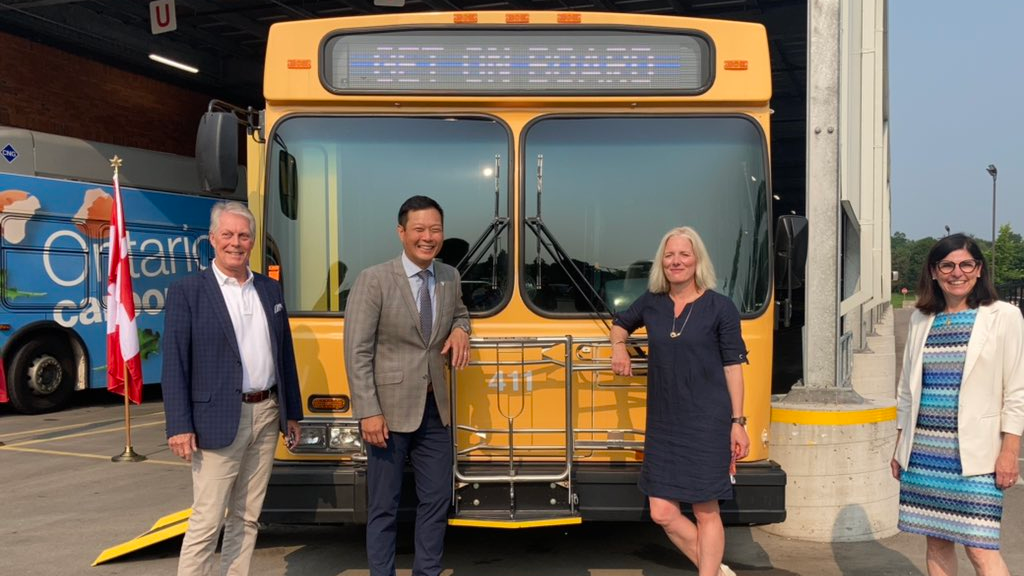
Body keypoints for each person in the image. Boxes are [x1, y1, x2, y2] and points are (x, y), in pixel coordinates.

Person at [162, 200, 302, 576]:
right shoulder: (187, 292)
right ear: (212, 239)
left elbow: (284, 355)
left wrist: (293, 413)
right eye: (227, 234)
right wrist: (178, 424)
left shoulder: (271, 291)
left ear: (253, 242)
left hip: (267, 412)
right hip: (216, 420)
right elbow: (174, 364)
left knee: (247, 516)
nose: (235, 243)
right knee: (207, 521)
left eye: (243, 235)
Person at [609, 226, 749, 576]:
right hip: (664, 424)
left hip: (707, 422)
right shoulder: (652, 302)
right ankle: (714, 570)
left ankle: (708, 573)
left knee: (706, 510)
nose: (676, 261)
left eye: (684, 254)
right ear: (662, 262)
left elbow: (733, 368)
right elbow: (619, 324)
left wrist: (738, 423)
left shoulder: (721, 307)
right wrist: (618, 348)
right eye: (669, 255)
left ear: (697, 260)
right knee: (662, 512)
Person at [344, 195, 471, 576]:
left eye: (435, 229)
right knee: (384, 505)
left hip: (436, 410)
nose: (427, 237)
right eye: (419, 229)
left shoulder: (449, 276)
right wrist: (368, 411)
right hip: (387, 413)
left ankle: (426, 572)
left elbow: (460, 312)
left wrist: (462, 329)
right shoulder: (374, 280)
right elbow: (357, 351)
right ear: (401, 233)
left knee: (437, 500)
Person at [891, 233, 1023, 576]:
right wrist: (900, 446)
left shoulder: (1004, 316)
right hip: (923, 454)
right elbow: (907, 390)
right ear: (934, 272)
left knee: (981, 549)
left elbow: (1017, 392)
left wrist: (1009, 451)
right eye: (947, 265)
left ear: (979, 270)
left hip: (978, 457)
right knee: (935, 542)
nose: (957, 272)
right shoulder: (923, 318)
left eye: (966, 264)